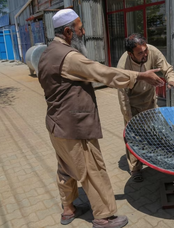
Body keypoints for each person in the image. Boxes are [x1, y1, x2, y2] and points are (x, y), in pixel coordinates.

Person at [37, 9, 164, 228]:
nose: (83, 31)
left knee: (66, 168)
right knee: (92, 169)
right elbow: (102, 72)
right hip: (75, 127)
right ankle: (103, 217)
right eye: (79, 28)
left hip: (56, 125)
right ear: (68, 32)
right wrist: (140, 75)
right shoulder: (69, 57)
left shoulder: (48, 52)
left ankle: (68, 209)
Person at [117, 33, 174, 182]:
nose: (145, 54)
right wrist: (129, 119)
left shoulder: (152, 51)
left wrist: (171, 80)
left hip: (150, 101)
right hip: (132, 104)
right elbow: (123, 98)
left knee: (154, 132)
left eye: (145, 50)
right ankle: (136, 168)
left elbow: (167, 68)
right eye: (140, 53)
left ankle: (153, 159)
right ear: (130, 54)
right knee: (133, 137)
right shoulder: (123, 66)